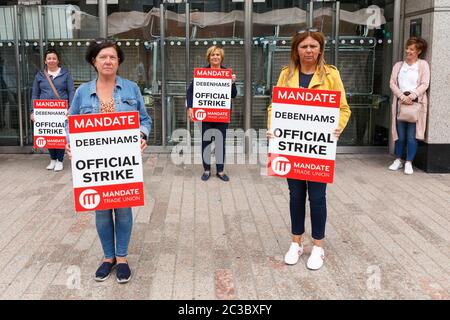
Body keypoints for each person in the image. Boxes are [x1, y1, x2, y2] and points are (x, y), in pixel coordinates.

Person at [66, 38, 152, 283]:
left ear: (118, 61)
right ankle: (108, 257)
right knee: (102, 211)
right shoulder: (83, 92)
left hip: (122, 164)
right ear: (94, 61)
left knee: (123, 209)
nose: (108, 61)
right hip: (95, 166)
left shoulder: (131, 89)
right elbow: (69, 122)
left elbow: (144, 120)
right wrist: (71, 143)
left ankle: (122, 258)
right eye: (103, 56)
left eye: (113, 57)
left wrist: (142, 136)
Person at [267, 29, 351, 270]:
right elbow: (276, 106)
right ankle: (296, 243)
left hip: (317, 150)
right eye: (304, 46)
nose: (309, 50)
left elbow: (343, 108)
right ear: (296, 50)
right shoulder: (286, 74)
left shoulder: (331, 75)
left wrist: (336, 127)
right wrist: (273, 128)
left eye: (313, 46)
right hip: (292, 148)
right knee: (295, 196)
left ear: (320, 49)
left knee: (317, 197)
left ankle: (318, 247)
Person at [186, 46, 237, 182]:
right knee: (206, 142)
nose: (215, 57)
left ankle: (220, 170)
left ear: (221, 57)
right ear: (209, 57)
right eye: (212, 55)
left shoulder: (227, 73)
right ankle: (207, 169)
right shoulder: (202, 73)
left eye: (218, 55)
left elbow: (234, 95)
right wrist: (190, 107)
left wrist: (232, 83)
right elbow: (190, 91)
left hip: (221, 115)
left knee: (220, 142)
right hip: (206, 115)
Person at [388, 37, 430, 175]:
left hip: (414, 105)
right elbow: (392, 83)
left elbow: (425, 83)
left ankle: (409, 162)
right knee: (400, 136)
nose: (408, 51)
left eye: (412, 49)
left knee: (412, 136)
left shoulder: (422, 65)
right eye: (408, 48)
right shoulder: (398, 65)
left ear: (419, 51)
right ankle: (398, 159)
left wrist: (411, 96)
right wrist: (402, 96)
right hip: (400, 104)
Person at [31, 48, 75, 171]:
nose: (51, 60)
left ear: (58, 60)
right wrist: (32, 111)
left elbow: (71, 91)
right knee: (49, 134)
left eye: (54, 58)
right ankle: (53, 159)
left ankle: (60, 160)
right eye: (49, 58)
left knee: (61, 135)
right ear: (45, 61)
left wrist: (71, 107)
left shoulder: (65, 74)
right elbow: (34, 93)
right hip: (45, 111)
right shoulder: (40, 75)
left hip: (61, 110)